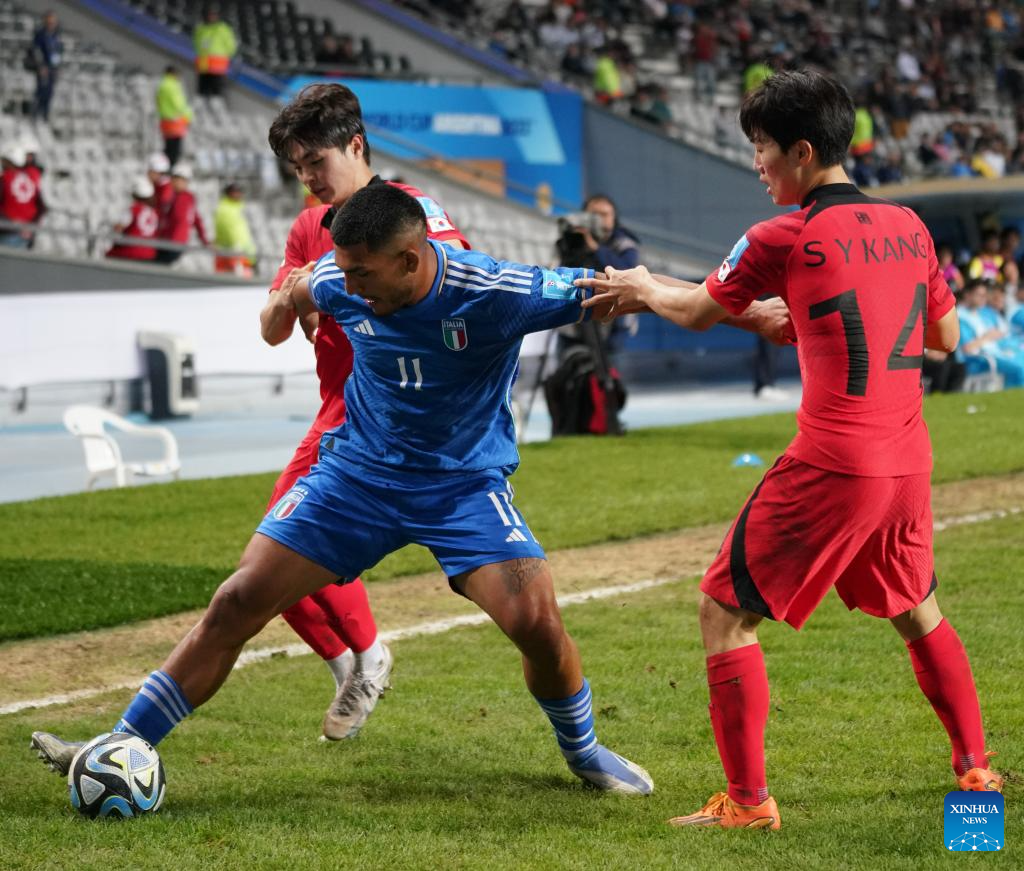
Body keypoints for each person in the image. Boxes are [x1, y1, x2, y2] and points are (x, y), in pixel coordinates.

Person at [30, 183, 657, 798]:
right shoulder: (338, 275)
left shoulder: (497, 291)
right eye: (343, 271)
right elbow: (300, 287)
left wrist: (724, 297)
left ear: (409, 260)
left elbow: (622, 289)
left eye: (361, 274)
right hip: (356, 475)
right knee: (238, 599)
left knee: (537, 624)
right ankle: (119, 745)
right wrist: (284, 303)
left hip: (461, 485)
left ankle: (584, 752)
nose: (347, 286)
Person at [576, 69, 1002, 830]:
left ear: (802, 152)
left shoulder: (785, 234)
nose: (756, 163)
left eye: (762, 148)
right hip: (907, 461)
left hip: (835, 462)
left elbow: (699, 311)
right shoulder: (910, 225)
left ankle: (747, 803)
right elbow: (942, 339)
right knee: (919, 611)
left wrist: (642, 285)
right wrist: (804, 320)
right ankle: (976, 768)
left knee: (723, 610)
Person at [257, 82, 470, 740]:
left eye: (316, 163)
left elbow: (461, 276)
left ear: (356, 145)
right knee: (270, 563)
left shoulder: (410, 212)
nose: (309, 180)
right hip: (335, 409)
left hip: (389, 413)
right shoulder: (306, 228)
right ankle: (353, 661)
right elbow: (269, 327)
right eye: (297, 169)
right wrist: (295, 292)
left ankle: (369, 653)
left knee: (278, 547)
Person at [154, 163, 207, 265]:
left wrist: (204, 239)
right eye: (174, 178)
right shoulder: (181, 196)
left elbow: (181, 219)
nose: (175, 182)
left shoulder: (184, 198)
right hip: (168, 241)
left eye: (179, 179)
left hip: (172, 243)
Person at [0, 144, 46, 248]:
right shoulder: (30, 179)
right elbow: (42, 208)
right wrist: (29, 227)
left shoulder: (4, 179)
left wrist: (14, 225)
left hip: (6, 233)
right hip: (26, 235)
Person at [106, 176, 159, 262]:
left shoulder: (133, 210)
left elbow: (119, 228)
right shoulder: (154, 213)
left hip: (131, 251)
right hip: (149, 253)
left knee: (109, 255)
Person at [213, 183, 256, 276]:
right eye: (235, 192)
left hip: (242, 252)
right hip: (232, 252)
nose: (238, 194)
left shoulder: (238, 208)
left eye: (239, 192)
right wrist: (234, 247)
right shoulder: (224, 209)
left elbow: (243, 233)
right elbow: (225, 230)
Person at [193, 5, 237, 97]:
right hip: (203, 63)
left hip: (218, 64)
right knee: (202, 89)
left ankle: (216, 105)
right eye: (210, 14)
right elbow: (196, 43)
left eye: (214, 15)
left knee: (216, 91)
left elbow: (231, 46)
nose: (211, 17)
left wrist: (226, 56)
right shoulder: (201, 28)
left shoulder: (223, 29)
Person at [156, 67, 193, 167]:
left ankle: (165, 166)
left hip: (165, 120)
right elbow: (179, 104)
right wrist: (188, 116)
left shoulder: (162, 85)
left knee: (168, 146)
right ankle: (171, 168)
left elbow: (158, 102)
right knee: (174, 149)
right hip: (175, 121)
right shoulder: (173, 86)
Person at [29, 11, 62, 123]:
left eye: (53, 22)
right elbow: (36, 51)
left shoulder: (56, 36)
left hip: (52, 68)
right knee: (41, 91)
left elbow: (57, 52)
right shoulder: (40, 35)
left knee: (50, 92)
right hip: (43, 69)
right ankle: (34, 115)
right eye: (49, 22)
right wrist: (41, 66)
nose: (51, 24)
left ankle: (44, 116)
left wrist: (57, 67)